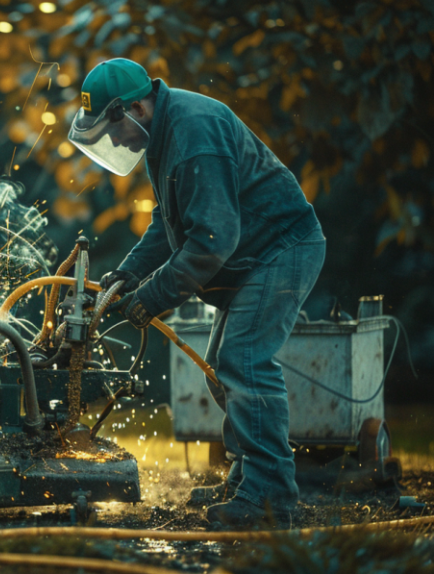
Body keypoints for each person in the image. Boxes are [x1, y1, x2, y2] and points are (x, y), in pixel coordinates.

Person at [69, 58, 325, 529]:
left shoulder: (194, 136)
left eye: (113, 129)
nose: (114, 142)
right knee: (222, 370)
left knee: (244, 361)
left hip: (282, 248)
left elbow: (211, 241)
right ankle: (248, 477)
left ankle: (270, 499)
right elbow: (170, 225)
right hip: (254, 254)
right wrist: (127, 275)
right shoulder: (162, 133)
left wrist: (153, 297)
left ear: (131, 109)